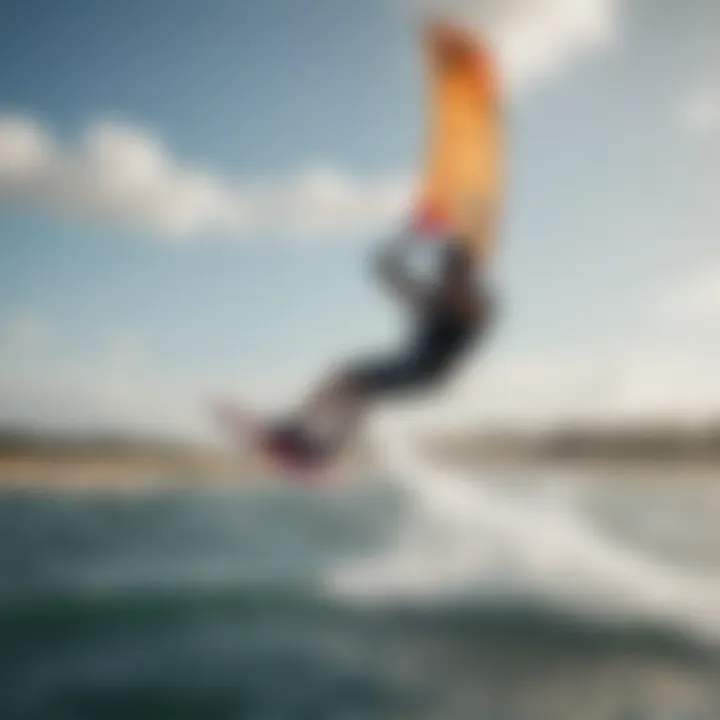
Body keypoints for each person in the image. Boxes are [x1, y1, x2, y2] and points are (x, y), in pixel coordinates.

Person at [264, 233, 496, 468]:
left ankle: (306, 439)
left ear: (464, 271)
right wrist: (402, 246)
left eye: (448, 268)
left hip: (428, 374)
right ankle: (315, 444)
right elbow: (395, 278)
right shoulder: (437, 297)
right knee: (352, 387)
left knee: (351, 382)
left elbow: (457, 303)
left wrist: (404, 268)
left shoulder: (474, 302)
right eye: (443, 267)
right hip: (412, 366)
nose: (441, 273)